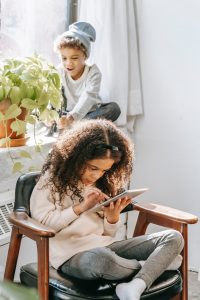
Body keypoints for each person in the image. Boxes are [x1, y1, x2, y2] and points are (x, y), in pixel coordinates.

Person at [30, 119, 184, 300]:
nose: (96, 175)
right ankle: (153, 266)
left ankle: (135, 285)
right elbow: (44, 225)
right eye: (92, 168)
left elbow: (107, 235)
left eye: (103, 171)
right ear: (76, 156)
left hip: (107, 247)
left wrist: (112, 219)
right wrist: (80, 208)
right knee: (101, 259)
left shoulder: (100, 184)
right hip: (71, 257)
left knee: (174, 238)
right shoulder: (50, 182)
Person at [53, 21, 121, 130]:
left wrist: (72, 118)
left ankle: (75, 127)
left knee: (114, 108)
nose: (68, 63)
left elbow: (88, 97)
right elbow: (54, 96)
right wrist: (53, 117)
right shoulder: (59, 71)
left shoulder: (93, 72)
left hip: (89, 113)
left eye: (74, 58)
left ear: (85, 56)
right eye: (64, 58)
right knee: (48, 112)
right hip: (67, 113)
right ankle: (74, 127)